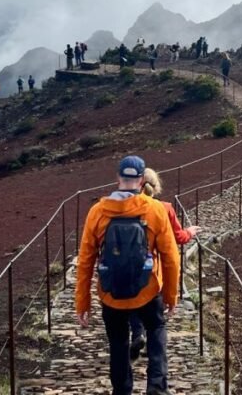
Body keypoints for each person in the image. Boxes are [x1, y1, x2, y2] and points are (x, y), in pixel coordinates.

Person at [75, 156, 180, 395]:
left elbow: (85, 261)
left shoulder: (97, 211)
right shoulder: (154, 209)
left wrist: (82, 302)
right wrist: (170, 296)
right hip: (147, 290)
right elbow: (171, 257)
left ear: (118, 178)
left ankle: (122, 391)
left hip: (110, 293)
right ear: (141, 180)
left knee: (118, 342)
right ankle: (156, 386)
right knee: (156, 328)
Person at [128, 168, 201, 361]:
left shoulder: (126, 207)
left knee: (133, 301)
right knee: (154, 311)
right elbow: (178, 237)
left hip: (130, 266)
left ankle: (137, 334)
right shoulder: (165, 208)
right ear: (157, 186)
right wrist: (190, 232)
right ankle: (152, 350)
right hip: (155, 269)